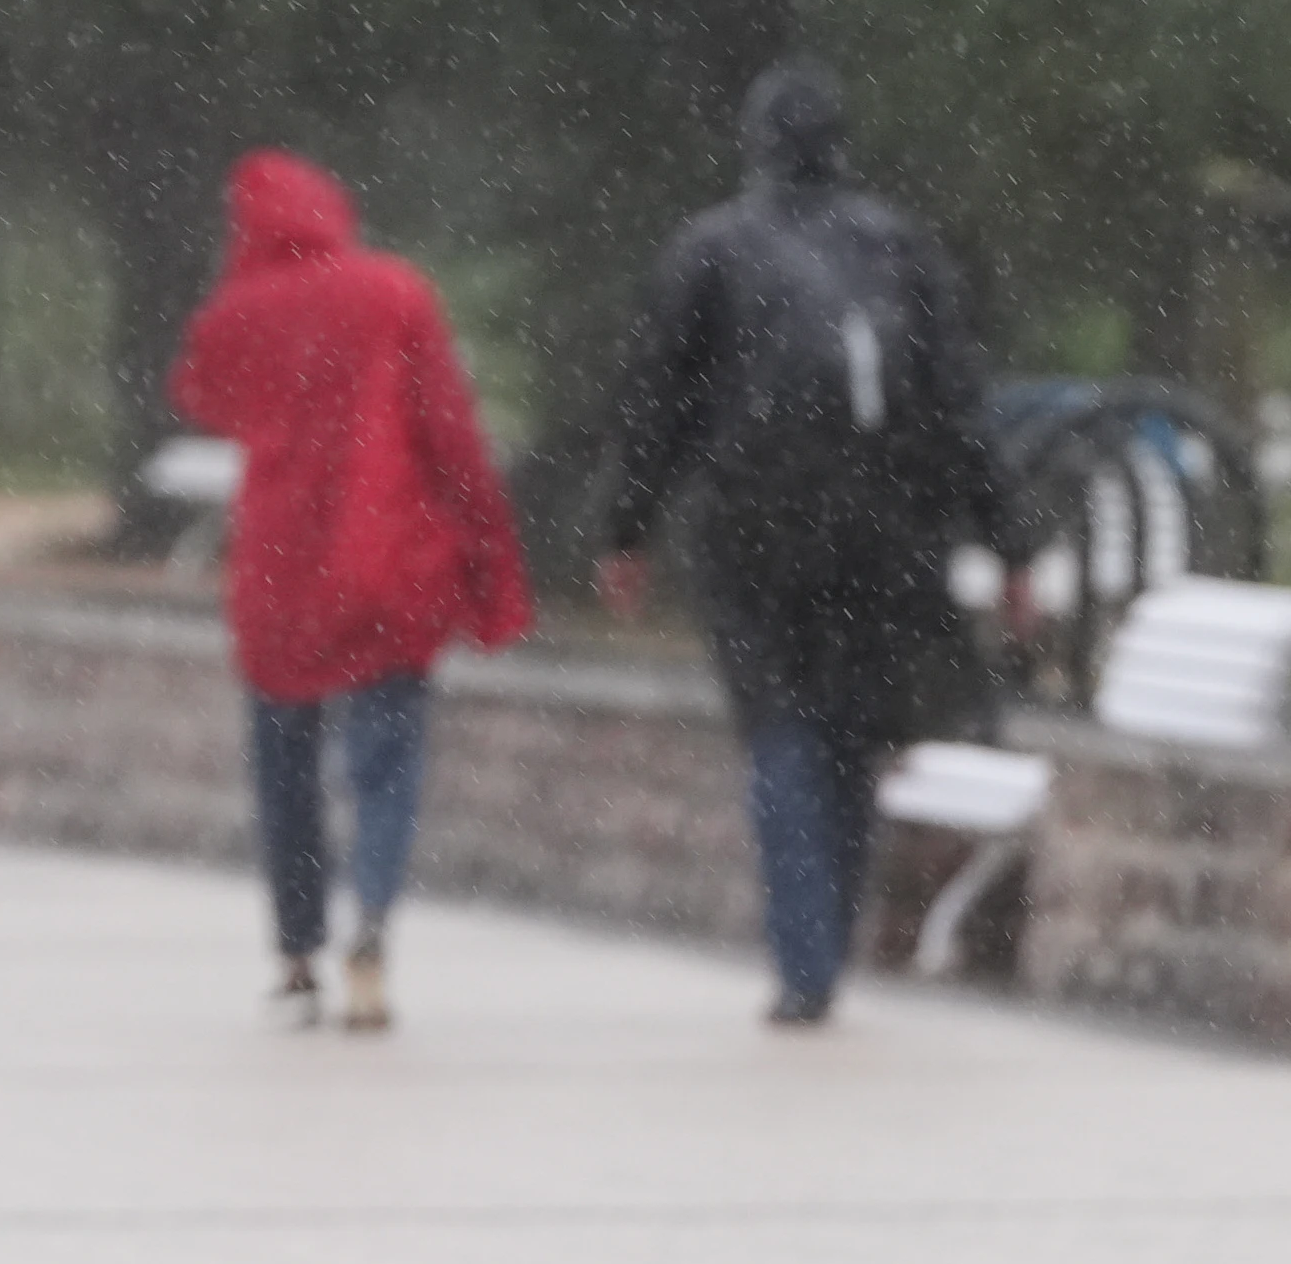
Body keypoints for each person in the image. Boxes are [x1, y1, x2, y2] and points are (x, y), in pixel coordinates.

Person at [592, 61, 1009, 1027]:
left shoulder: (711, 252)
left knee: (780, 727)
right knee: (854, 734)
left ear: (756, 146)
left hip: (754, 527)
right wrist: (1007, 537)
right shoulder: (900, 248)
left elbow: (658, 401)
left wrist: (627, 528)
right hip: (885, 527)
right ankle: (829, 933)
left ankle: (804, 956)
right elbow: (956, 404)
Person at [167, 149, 535, 1033]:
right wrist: (488, 550)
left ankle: (297, 952)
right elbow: (449, 432)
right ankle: (369, 919)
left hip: (281, 573)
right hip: (389, 561)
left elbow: (200, 394)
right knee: (387, 762)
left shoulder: (235, 315)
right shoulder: (395, 295)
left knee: (283, 762)